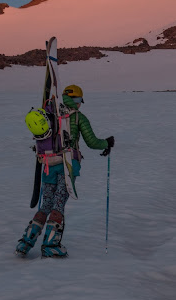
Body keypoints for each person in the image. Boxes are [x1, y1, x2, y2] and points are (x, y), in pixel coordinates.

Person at [16, 84, 114, 258]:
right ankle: (51, 245)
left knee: (46, 204)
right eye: (80, 100)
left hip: (48, 164)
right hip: (67, 166)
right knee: (58, 204)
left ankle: (25, 242)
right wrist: (107, 143)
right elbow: (92, 142)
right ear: (77, 100)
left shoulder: (51, 113)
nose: (80, 104)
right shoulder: (77, 117)